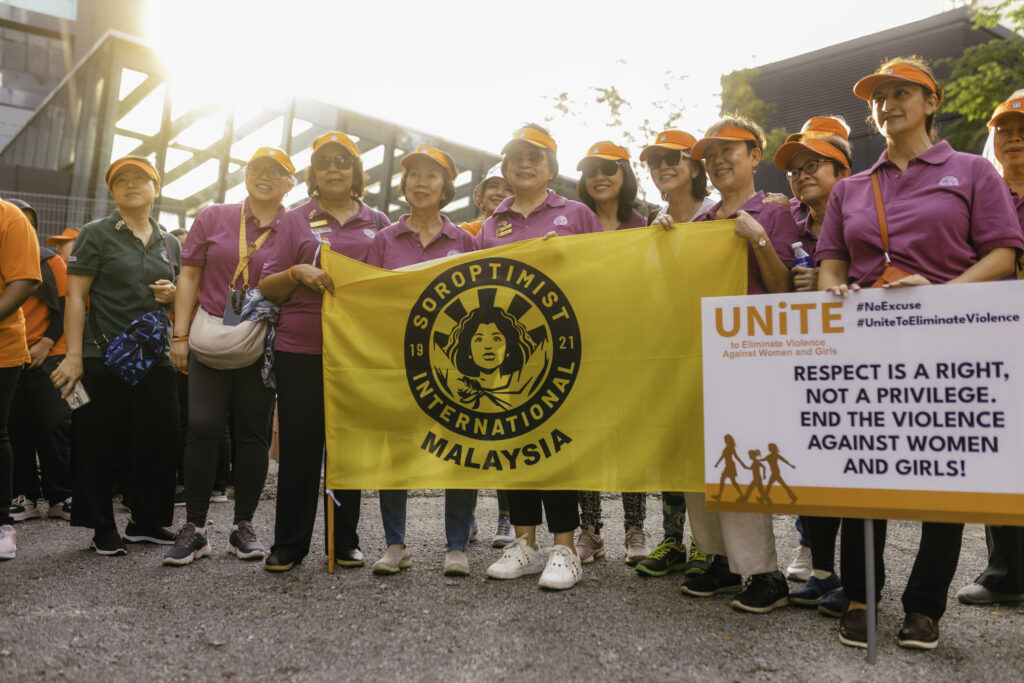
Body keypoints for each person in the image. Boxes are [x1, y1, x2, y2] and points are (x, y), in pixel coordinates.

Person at [817, 58, 1024, 650]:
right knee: (862, 465)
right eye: (879, 97)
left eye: (902, 92)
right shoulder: (852, 188)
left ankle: (924, 608)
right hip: (867, 344)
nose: (888, 103)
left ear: (931, 103)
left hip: (951, 343)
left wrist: (941, 298)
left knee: (945, 471)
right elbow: (833, 259)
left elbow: (1003, 256)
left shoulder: (974, 172)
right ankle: (860, 596)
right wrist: (836, 285)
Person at [679, 115, 797, 614]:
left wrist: (759, 239)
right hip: (698, 354)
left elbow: (785, 290)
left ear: (755, 156)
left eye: (731, 149)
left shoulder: (775, 213)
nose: (719, 159)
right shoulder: (699, 225)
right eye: (711, 153)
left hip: (751, 358)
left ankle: (763, 572)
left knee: (740, 460)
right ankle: (719, 560)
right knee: (697, 462)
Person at [259, 131, 390, 572]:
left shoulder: (380, 221)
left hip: (356, 350)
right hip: (301, 348)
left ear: (356, 171)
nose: (334, 168)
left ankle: (345, 539)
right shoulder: (294, 220)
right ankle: (289, 544)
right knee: (300, 448)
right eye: (324, 162)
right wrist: (297, 272)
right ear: (314, 173)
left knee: (347, 448)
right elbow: (267, 287)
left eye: (343, 160)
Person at [480, 124, 601, 590]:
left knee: (556, 446)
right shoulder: (493, 223)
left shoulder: (577, 213)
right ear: (506, 169)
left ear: (551, 167)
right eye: (515, 158)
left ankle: (564, 547)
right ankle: (525, 543)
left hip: (563, 350)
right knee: (511, 443)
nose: (524, 165)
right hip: (508, 361)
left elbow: (603, 272)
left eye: (534, 157)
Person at [162, 147, 295, 566]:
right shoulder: (214, 216)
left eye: (277, 171)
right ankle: (196, 528)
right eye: (258, 167)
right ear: (245, 175)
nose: (265, 176)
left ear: (290, 183)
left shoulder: (295, 226)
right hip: (211, 333)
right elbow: (189, 276)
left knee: (252, 433)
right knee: (201, 425)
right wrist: (179, 335)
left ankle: (243, 527)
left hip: (262, 340)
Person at [50, 155, 182, 556]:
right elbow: (74, 296)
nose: (130, 184)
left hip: (154, 356)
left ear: (155, 188)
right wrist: (73, 355)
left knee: (159, 437)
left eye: (140, 178)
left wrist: (173, 294)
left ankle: (146, 521)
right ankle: (101, 527)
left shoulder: (169, 241)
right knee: (96, 440)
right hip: (100, 354)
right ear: (112, 192)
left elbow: (179, 292)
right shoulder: (95, 233)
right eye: (121, 180)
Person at [365, 145, 478, 576]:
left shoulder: (464, 241)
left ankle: (456, 546)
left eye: (433, 175)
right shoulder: (383, 241)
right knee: (396, 454)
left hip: (453, 368)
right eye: (414, 174)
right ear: (404, 184)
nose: (422, 182)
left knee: (459, 452)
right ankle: (395, 545)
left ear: (446, 187)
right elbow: (367, 300)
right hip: (398, 364)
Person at [770, 116, 853, 613]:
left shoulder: (863, 213)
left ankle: (861, 584)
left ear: (843, 169)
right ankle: (822, 568)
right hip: (803, 356)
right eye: (794, 170)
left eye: (812, 165)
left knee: (848, 467)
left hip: (854, 355)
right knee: (814, 463)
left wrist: (827, 279)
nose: (801, 175)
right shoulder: (792, 222)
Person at [633, 130, 714, 578]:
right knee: (670, 443)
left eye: (673, 158)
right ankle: (671, 540)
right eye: (655, 161)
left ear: (696, 166)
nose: (663, 166)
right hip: (666, 349)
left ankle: (707, 544)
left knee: (705, 445)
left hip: (711, 350)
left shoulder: (718, 216)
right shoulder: (653, 223)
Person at [955, 90, 1024, 607]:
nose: (1014, 138)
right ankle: (1007, 574)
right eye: (1005, 130)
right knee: (1000, 456)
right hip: (995, 344)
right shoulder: (979, 196)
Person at [572, 140, 649, 565]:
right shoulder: (571, 222)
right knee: (588, 437)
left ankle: (635, 530)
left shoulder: (648, 223)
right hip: (582, 345)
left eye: (609, 168)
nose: (598, 176)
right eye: (591, 170)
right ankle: (590, 530)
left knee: (630, 435)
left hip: (632, 344)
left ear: (625, 175)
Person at [8, 198, 73, 524]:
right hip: (12, 354)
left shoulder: (52, 261)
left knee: (57, 421)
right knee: (15, 427)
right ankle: (26, 496)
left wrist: (46, 343)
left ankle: (61, 495)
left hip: (53, 351)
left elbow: (68, 306)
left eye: (28, 221)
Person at [0, 199, 43, 560]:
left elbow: (24, 281)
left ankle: (2, 524)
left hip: (5, 350)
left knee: (2, 431)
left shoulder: (9, 217)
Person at [459, 163, 513, 238]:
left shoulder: (524, 236)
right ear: (482, 193)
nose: (500, 193)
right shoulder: (464, 233)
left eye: (508, 189)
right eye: (493, 186)